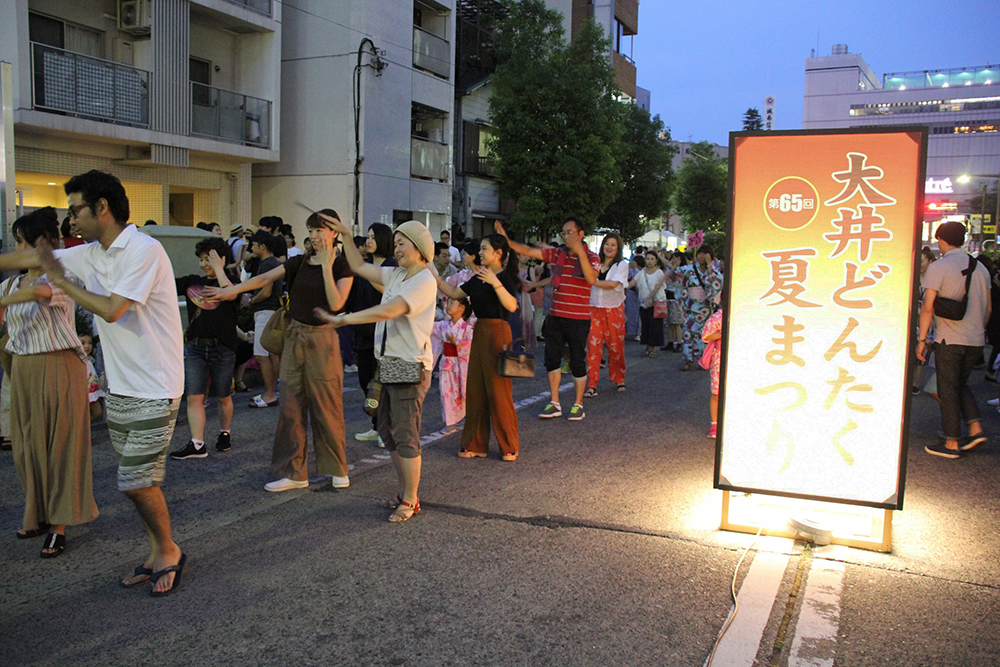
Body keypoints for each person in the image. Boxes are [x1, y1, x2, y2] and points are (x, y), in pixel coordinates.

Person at [5, 170, 188, 595]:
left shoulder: (144, 250)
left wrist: (64, 280)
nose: (71, 221)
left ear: (101, 208)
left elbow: (112, 309)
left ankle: (169, 551)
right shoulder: (91, 253)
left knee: (136, 480)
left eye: (76, 210)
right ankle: (157, 550)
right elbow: (32, 260)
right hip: (120, 385)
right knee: (138, 481)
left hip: (155, 385)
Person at [206, 210, 354, 491]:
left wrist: (326, 264)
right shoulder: (298, 262)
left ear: (335, 233)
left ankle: (338, 467)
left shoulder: (342, 266)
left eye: (320, 230)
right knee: (290, 407)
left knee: (327, 406)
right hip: (294, 336)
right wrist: (230, 290)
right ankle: (294, 473)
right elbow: (263, 280)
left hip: (323, 340)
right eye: (311, 230)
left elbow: (336, 303)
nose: (314, 235)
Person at [314, 217, 437, 521]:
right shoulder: (397, 274)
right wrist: (344, 233)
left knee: (405, 432)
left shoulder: (424, 280)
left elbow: (391, 309)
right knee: (388, 429)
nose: (397, 248)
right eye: (395, 243)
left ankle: (410, 500)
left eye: (402, 243)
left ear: (420, 248)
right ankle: (405, 493)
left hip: (410, 365)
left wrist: (345, 319)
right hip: (389, 364)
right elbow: (359, 267)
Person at [0, 208, 98, 558]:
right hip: (23, 370)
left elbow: (39, 295)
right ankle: (37, 514)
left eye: (25, 242)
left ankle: (59, 524)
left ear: (45, 245)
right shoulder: (10, 283)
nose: (20, 249)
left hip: (59, 366)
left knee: (61, 448)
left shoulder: (60, 279)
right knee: (27, 448)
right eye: (17, 243)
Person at [496, 217, 598, 422]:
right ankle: (555, 402)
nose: (566, 236)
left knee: (577, 360)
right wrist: (506, 239)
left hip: (578, 317)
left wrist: (580, 253)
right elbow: (528, 251)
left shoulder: (591, 257)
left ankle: (578, 404)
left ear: (581, 234)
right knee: (552, 358)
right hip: (556, 315)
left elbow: (591, 279)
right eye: (563, 233)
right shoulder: (558, 254)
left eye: (570, 232)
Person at [433, 234, 521, 460]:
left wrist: (496, 283)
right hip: (479, 331)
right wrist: (430, 270)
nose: (479, 253)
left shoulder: (503, 277)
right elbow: (454, 293)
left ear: (497, 253)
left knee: (499, 391)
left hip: (498, 333)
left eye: (484, 249)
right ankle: (474, 444)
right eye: (480, 249)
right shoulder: (478, 276)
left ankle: (509, 446)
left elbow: (512, 305)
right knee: (476, 389)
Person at [917, 221, 990, 458]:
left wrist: (922, 339)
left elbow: (927, 307)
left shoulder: (940, 267)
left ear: (941, 240)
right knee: (959, 384)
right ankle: (976, 429)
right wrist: (978, 331)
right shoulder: (980, 268)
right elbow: (987, 309)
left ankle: (951, 444)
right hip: (975, 339)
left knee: (947, 390)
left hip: (950, 338)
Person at [169, 238, 238, 460]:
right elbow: (164, 282)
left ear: (221, 259)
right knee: (194, 396)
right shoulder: (192, 282)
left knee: (223, 396)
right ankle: (197, 443)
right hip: (196, 348)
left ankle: (224, 432)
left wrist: (219, 270)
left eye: (208, 259)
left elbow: (232, 293)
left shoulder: (232, 282)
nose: (203, 264)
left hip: (223, 349)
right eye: (201, 260)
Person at [348, 222, 397, 444]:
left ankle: (388, 429)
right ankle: (377, 426)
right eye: (367, 237)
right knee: (366, 381)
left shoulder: (392, 266)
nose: (368, 241)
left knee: (385, 384)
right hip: (365, 332)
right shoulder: (365, 265)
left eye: (373, 237)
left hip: (387, 334)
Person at [585, 233, 629, 395]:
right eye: (607, 244)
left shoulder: (622, 265)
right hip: (594, 307)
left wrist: (593, 281)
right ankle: (592, 383)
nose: (609, 247)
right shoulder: (594, 263)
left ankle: (619, 378)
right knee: (593, 346)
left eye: (613, 245)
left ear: (618, 248)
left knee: (615, 346)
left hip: (613, 308)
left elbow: (614, 284)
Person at [247, 231, 283, 408]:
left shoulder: (268, 264)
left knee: (261, 354)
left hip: (266, 310)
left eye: (253, 244)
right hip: (273, 310)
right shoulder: (273, 263)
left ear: (262, 246)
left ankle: (269, 394)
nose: (251, 248)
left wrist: (251, 300)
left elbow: (266, 291)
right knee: (272, 354)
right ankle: (270, 392)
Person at [430, 297, 474, 433]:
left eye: (452, 303)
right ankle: (450, 423)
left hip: (462, 364)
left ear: (462, 308)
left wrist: (457, 343)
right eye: (448, 303)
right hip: (447, 362)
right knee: (446, 392)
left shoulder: (468, 328)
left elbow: (470, 345)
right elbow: (428, 329)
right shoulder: (443, 325)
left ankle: (469, 417)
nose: (448, 306)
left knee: (464, 390)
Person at [678, 244, 723, 371]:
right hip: (691, 307)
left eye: (704, 254)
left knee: (703, 334)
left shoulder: (713, 271)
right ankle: (688, 360)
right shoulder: (689, 269)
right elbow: (677, 276)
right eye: (699, 254)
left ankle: (703, 360)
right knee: (687, 333)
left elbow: (716, 284)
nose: (701, 256)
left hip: (705, 308)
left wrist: (709, 267)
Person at [630, 250, 667, 357]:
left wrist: (649, 298)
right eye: (648, 259)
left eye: (652, 259)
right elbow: (633, 282)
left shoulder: (659, 272)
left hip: (656, 303)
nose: (649, 261)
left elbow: (658, 287)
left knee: (655, 326)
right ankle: (647, 347)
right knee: (645, 325)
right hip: (644, 303)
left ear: (656, 261)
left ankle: (652, 348)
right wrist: (622, 286)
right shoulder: (641, 273)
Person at [701, 305, 723, 438]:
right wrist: (722, 333)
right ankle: (714, 423)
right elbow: (706, 335)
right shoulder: (717, 317)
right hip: (719, 357)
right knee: (716, 392)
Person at [79, 332, 105, 422]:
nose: (87, 346)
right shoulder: (77, 360)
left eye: (89, 343)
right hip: (83, 391)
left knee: (97, 412)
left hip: (91, 390)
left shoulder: (88, 359)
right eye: (82, 343)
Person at [665, 252, 687, 352]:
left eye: (674, 258)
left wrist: (675, 266)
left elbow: (673, 276)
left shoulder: (683, 270)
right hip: (669, 296)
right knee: (670, 322)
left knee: (677, 322)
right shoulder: (672, 268)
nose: (672, 260)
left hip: (677, 298)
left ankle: (679, 342)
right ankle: (670, 342)